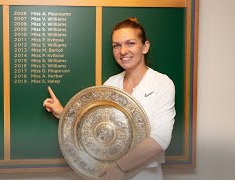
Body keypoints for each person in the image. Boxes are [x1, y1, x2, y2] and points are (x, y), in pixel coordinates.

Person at [43, 18, 175, 180]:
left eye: (130, 43)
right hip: (109, 175)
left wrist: (119, 167)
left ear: (145, 46)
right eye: (116, 46)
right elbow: (97, 131)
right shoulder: (111, 84)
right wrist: (64, 114)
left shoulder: (162, 83)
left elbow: (160, 140)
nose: (123, 51)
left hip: (145, 174)